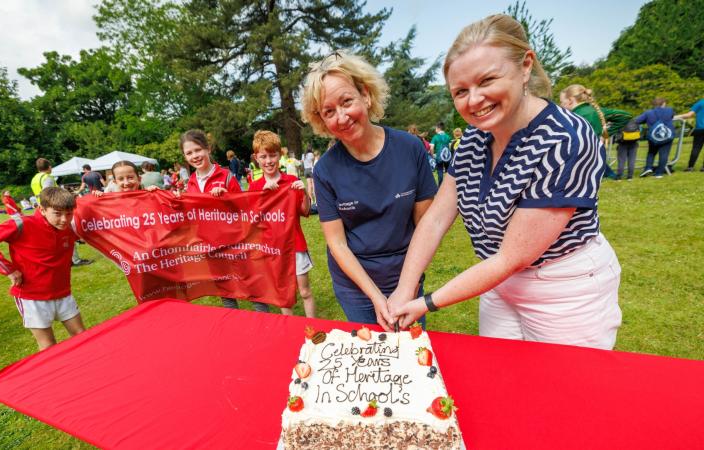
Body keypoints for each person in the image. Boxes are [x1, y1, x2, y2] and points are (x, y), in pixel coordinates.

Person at [387, 14, 622, 350]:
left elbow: (513, 256)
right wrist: (404, 288)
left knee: (563, 393)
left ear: (525, 66)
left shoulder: (566, 138)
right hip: (497, 281)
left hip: (564, 288)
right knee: (504, 381)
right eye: (460, 91)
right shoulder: (472, 139)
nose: (474, 100)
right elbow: (437, 217)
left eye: (487, 81)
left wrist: (426, 302)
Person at [300, 50, 437, 330]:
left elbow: (427, 225)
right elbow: (336, 243)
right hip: (356, 287)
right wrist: (375, 297)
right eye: (328, 112)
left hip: (407, 275)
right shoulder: (325, 169)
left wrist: (407, 286)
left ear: (366, 95)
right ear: (321, 120)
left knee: (410, 355)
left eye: (346, 101)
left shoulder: (410, 149)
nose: (341, 117)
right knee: (373, 360)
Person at [0, 187, 87, 351]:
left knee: (82, 336)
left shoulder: (68, 227)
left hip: (63, 293)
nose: (64, 219)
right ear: (42, 209)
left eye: (69, 214)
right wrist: (9, 270)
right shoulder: (22, 224)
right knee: (48, 346)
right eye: (57, 213)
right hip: (32, 297)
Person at [179, 129, 268, 313]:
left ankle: (264, 322)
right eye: (189, 153)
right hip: (210, 246)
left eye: (198, 150)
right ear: (185, 156)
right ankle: (234, 325)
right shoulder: (190, 183)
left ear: (208, 149)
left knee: (251, 284)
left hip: (235, 243)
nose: (195, 156)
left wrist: (226, 197)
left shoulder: (226, 176)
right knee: (225, 288)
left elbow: (244, 210)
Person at [249, 130, 316, 318]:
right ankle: (290, 330)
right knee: (283, 294)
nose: (269, 161)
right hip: (272, 250)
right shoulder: (254, 187)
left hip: (295, 246)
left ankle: (315, 328)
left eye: (272, 155)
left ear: (280, 155)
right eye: (263, 156)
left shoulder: (292, 181)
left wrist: (304, 193)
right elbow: (253, 221)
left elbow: (305, 211)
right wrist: (262, 196)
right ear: (256, 158)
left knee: (305, 291)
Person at [559, 84, 630, 180]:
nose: (560, 105)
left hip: (582, 157)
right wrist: (604, 134)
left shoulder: (572, 116)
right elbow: (625, 116)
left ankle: (612, 176)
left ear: (571, 100)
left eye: (562, 102)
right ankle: (612, 177)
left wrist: (605, 133)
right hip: (594, 153)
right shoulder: (595, 110)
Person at [31, 158, 92, 266]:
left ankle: (64, 259)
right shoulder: (47, 177)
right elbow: (48, 193)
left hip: (44, 210)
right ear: (49, 167)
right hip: (54, 209)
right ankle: (74, 260)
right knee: (66, 233)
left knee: (53, 236)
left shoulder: (35, 178)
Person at [635, 98, 676, 179]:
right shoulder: (669, 110)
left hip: (654, 137)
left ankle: (648, 168)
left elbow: (637, 120)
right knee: (664, 154)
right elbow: (672, 117)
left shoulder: (648, 113)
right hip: (667, 136)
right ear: (663, 103)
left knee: (651, 152)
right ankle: (659, 173)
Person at [674, 98, 704, 171]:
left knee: (696, 148)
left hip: (700, 129)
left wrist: (674, 117)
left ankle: (690, 167)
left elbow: (689, 115)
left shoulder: (700, 103)